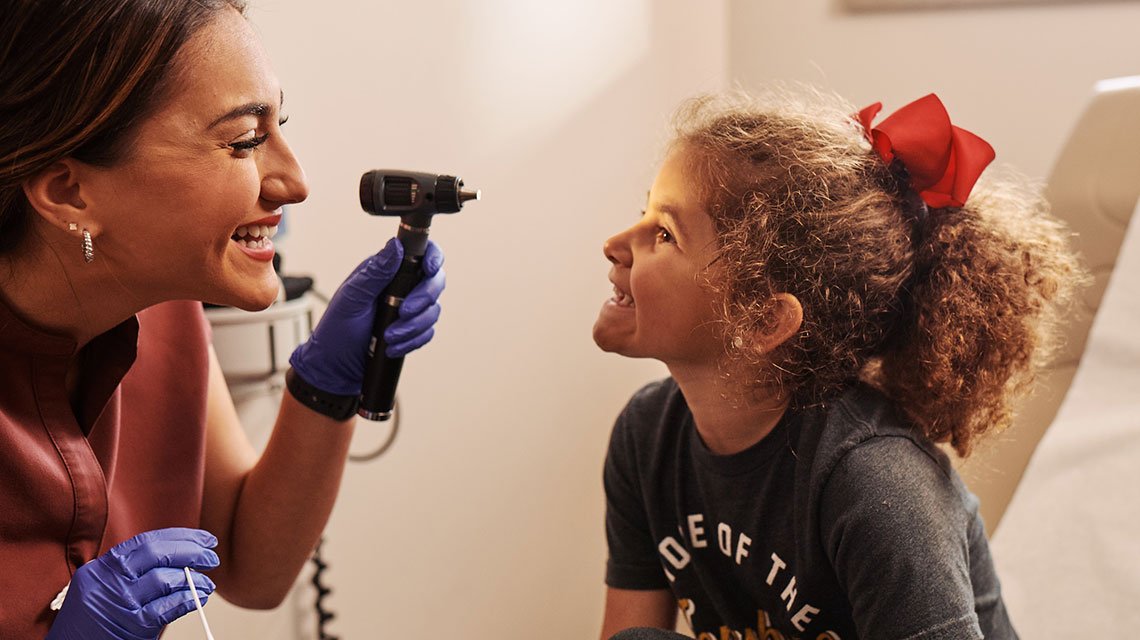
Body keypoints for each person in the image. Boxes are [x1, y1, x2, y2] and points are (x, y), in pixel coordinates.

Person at [0, 1, 444, 637]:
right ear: (70, 192)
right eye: (245, 142)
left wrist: (328, 380)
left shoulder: (167, 311)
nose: (294, 182)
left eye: (279, 125)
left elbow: (250, 563)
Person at [593, 88, 1087, 640]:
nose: (615, 243)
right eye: (644, 214)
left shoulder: (877, 483)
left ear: (762, 321)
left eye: (664, 234)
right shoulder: (647, 436)